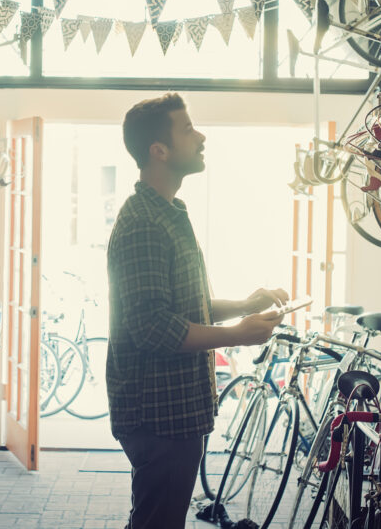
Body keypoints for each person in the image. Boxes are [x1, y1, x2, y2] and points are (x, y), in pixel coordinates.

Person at [106, 93, 289, 529]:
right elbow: (153, 327)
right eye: (187, 129)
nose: (201, 136)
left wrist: (246, 305)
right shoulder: (144, 224)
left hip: (177, 411)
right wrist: (239, 335)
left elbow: (187, 309)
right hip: (158, 415)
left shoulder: (169, 211)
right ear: (159, 150)